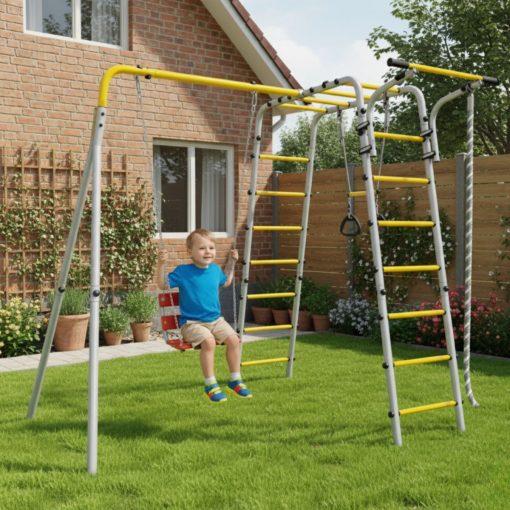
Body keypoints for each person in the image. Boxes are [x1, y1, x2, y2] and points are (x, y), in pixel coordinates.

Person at [157, 228, 252, 403]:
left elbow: (227, 281)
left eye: (211, 248)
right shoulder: (183, 271)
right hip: (192, 324)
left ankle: (235, 379)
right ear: (190, 252)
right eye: (202, 248)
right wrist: (161, 264)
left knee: (234, 340)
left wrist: (231, 262)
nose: (207, 251)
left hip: (216, 320)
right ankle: (210, 384)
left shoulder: (215, 270)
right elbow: (163, 285)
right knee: (209, 342)